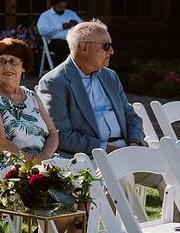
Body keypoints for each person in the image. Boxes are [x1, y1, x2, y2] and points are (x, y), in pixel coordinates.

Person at [37, 20, 145, 157]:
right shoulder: (54, 82)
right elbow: (61, 135)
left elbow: (131, 116)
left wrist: (135, 143)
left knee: (168, 169)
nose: (111, 51)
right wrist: (108, 149)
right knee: (129, 178)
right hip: (92, 156)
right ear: (84, 48)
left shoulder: (110, 77)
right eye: (106, 46)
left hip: (128, 149)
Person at [0, 38, 59, 178]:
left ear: (23, 66)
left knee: (84, 183)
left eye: (13, 61)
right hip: (13, 169)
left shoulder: (31, 96)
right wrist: (32, 164)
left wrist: (45, 156)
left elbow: (53, 132)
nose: (7, 67)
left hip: (43, 164)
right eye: (1, 61)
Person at [36, 0, 82, 65]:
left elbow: (83, 25)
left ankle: (83, 70)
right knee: (62, 45)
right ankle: (61, 71)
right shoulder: (46, 15)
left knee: (86, 45)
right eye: (60, 7)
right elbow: (42, 31)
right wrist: (61, 27)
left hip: (72, 41)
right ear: (54, 5)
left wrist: (77, 24)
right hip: (54, 43)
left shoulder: (70, 13)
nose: (63, 9)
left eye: (64, 7)